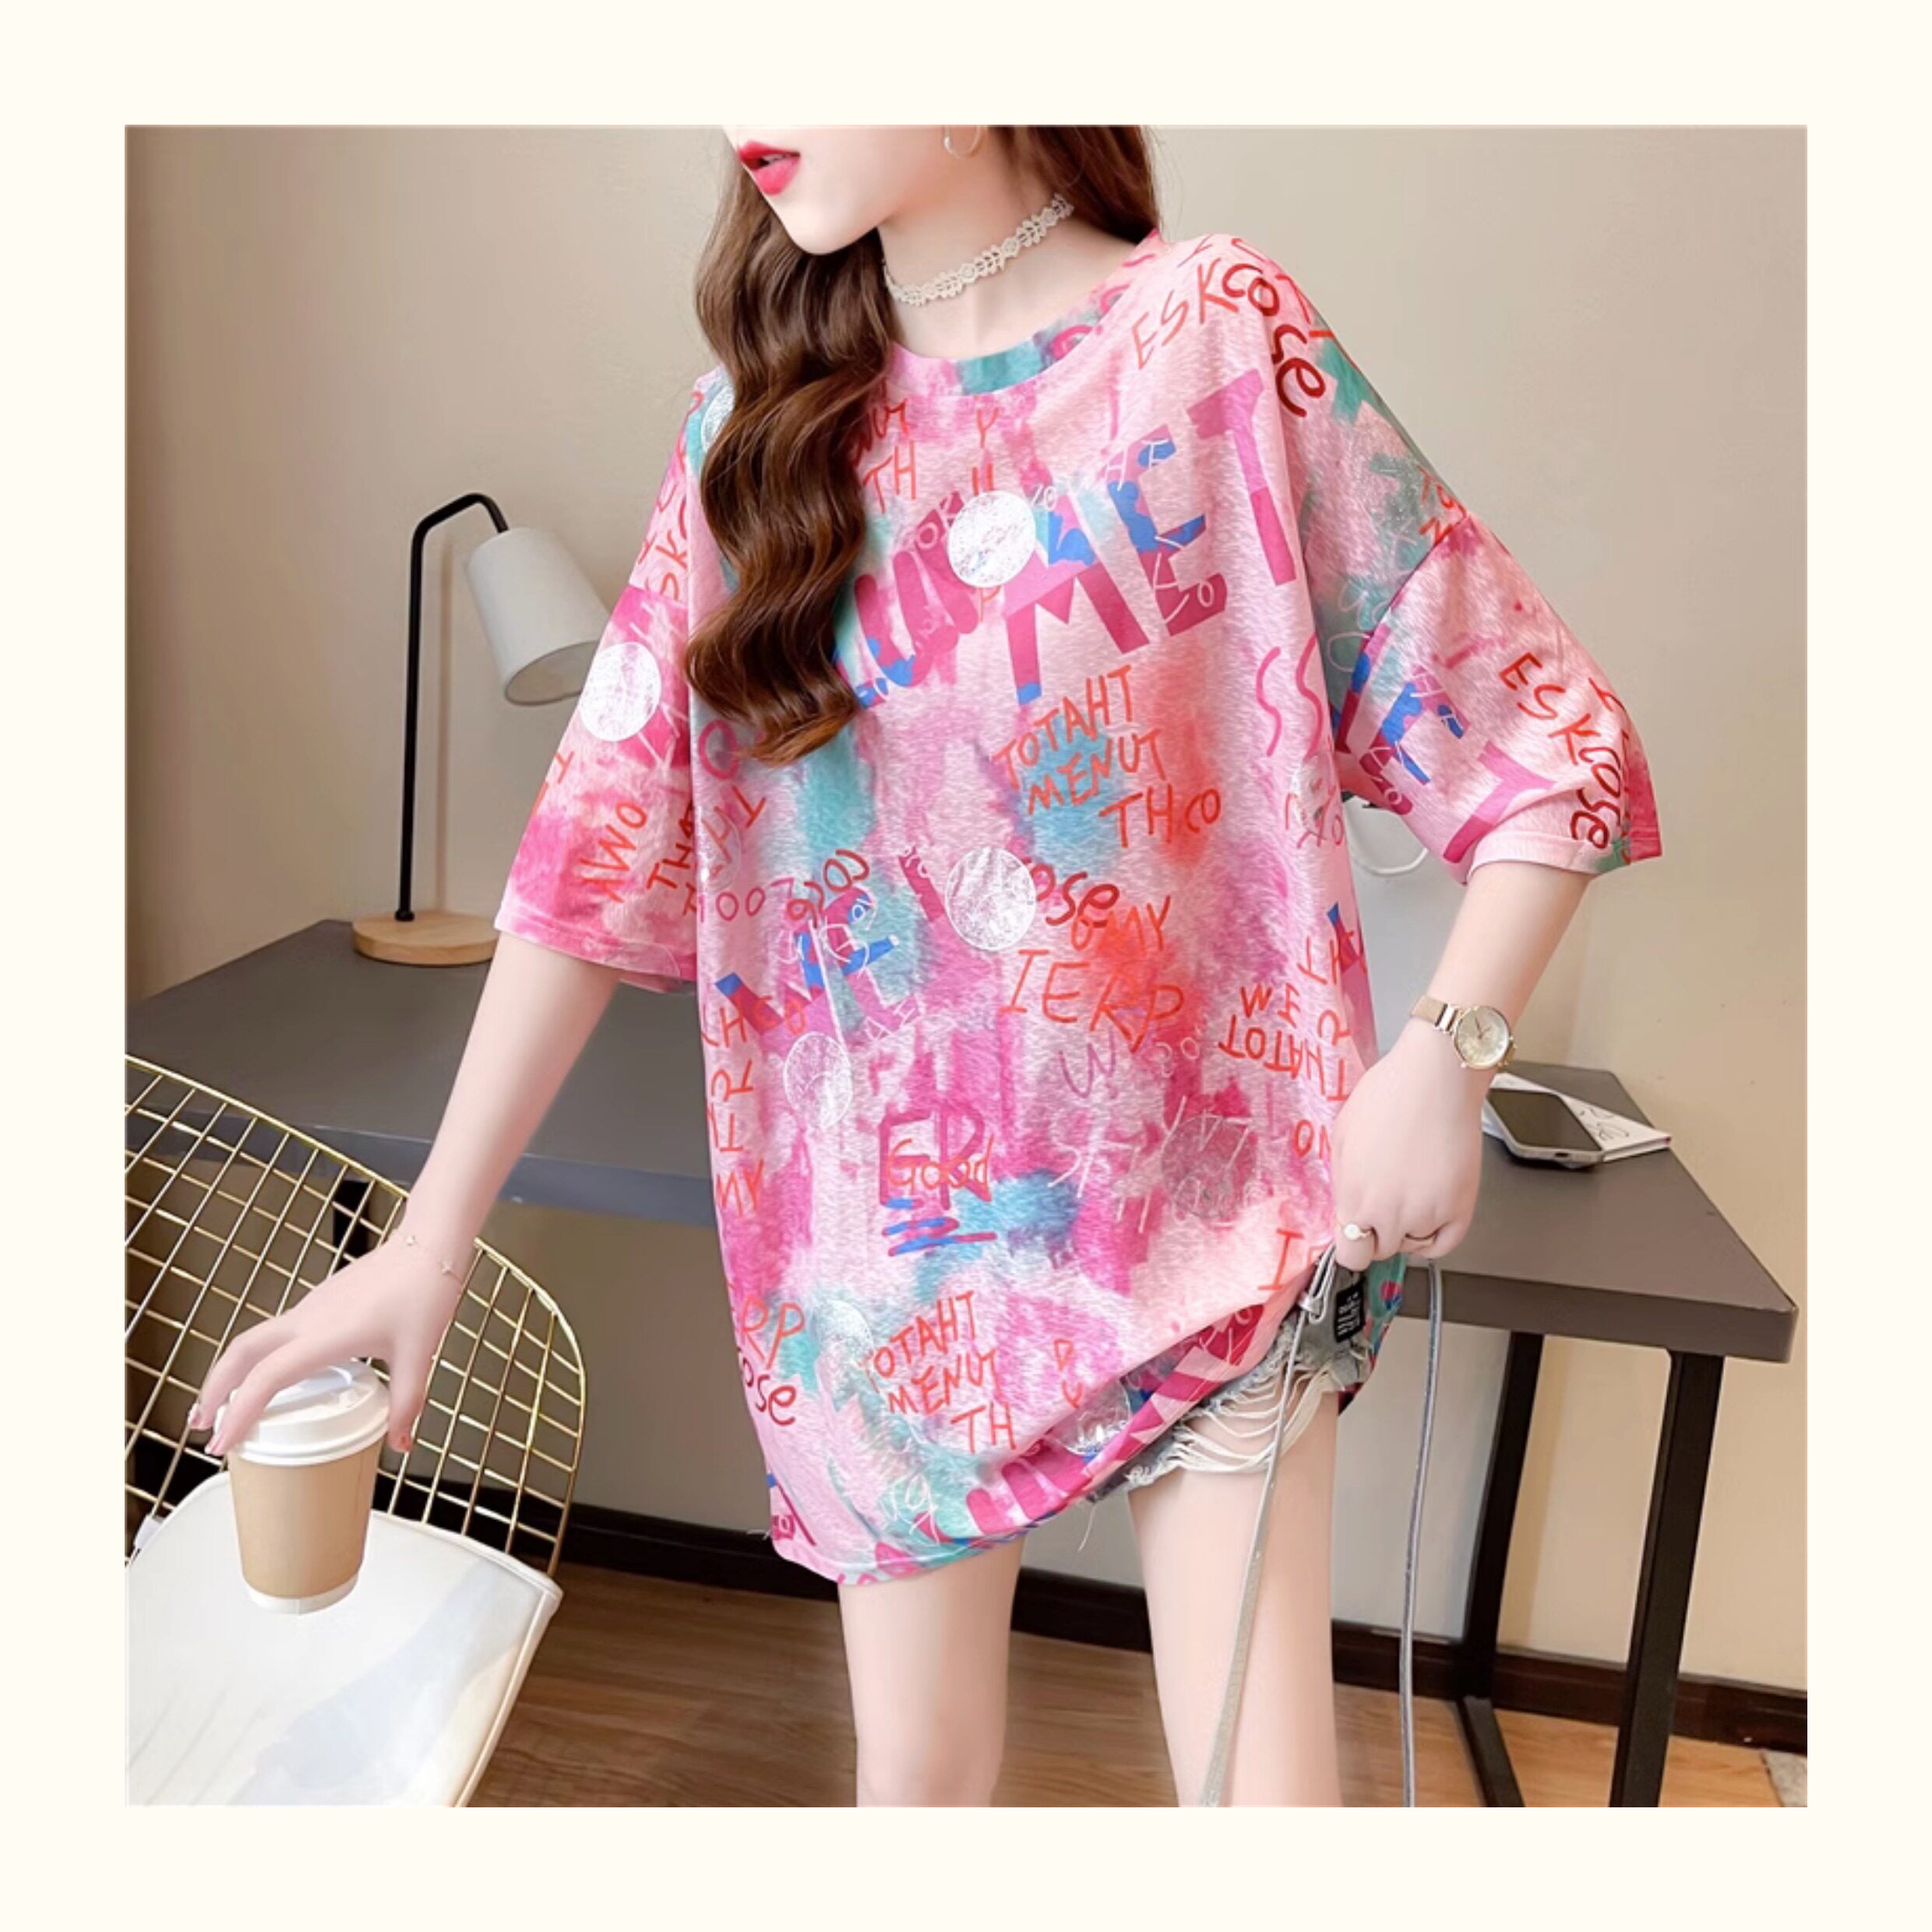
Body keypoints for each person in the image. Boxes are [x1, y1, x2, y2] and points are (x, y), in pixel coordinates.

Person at [190, 126, 1663, 1807]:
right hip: (880, 1286)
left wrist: (1449, 1049)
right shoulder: (751, 437)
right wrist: (427, 1241)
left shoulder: (1209, 337)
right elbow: (591, 848)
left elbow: (1539, 729)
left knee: (1265, 1807)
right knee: (921, 1789)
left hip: (1219, 1220)